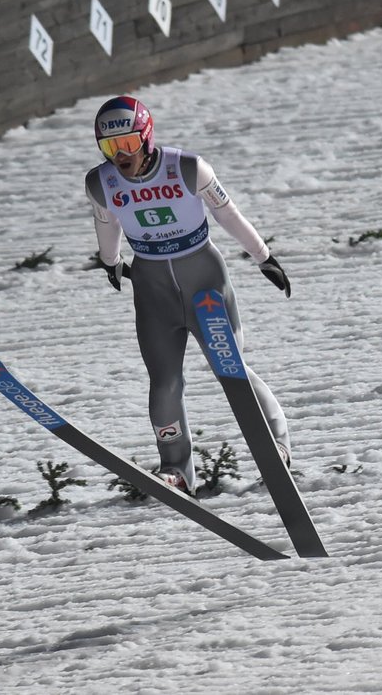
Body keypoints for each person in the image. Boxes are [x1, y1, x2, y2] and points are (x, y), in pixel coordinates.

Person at [84, 95, 292, 495]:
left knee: (229, 366)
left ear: (145, 137)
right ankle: (176, 469)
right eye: (110, 147)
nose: (119, 156)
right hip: (152, 287)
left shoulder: (188, 168)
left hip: (203, 280)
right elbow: (106, 225)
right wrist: (111, 262)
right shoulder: (101, 182)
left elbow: (227, 214)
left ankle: (277, 445)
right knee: (163, 382)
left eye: (127, 144)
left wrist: (264, 257)